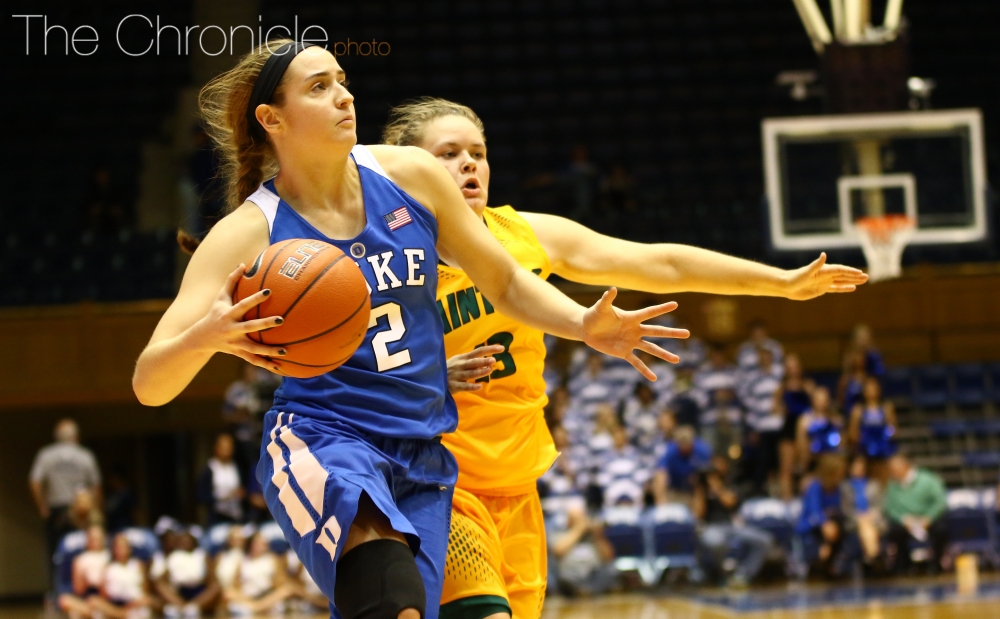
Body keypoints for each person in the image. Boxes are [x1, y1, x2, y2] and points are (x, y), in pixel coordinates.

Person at [135, 41, 681, 619]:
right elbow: (150, 382)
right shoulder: (247, 233)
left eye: (342, 80)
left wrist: (581, 324)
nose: (344, 95)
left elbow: (507, 283)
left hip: (423, 451)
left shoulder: (411, 177)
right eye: (318, 87)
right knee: (391, 598)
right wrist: (205, 336)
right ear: (272, 119)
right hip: (327, 440)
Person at [383, 95, 866, 619]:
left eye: (477, 151)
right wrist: (424, 376)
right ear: (410, 169)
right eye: (448, 153)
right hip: (434, 480)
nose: (469, 163)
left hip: (516, 485)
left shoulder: (524, 235)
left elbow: (660, 263)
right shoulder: (385, 260)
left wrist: (780, 284)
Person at [30, 419, 103, 596]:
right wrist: (96, 510)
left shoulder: (46, 455)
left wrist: (42, 506)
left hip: (58, 510)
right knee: (83, 551)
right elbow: (96, 486)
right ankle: (84, 593)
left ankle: (59, 592)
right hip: (81, 511)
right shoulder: (85, 455)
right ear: (76, 437)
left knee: (56, 555)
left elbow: (34, 481)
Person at [691, 457, 773, 587]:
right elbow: (698, 514)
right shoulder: (701, 488)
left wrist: (716, 486)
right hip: (711, 526)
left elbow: (730, 502)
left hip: (732, 525)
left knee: (764, 540)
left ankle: (743, 575)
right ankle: (721, 573)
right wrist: (700, 489)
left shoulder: (730, 484)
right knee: (715, 541)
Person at [796, 455, 867, 578]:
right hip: (813, 525)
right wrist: (825, 523)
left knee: (852, 533)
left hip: (835, 525)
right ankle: (823, 559)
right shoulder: (815, 486)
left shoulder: (840, 488)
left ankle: (839, 566)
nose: (841, 475)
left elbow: (843, 510)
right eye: (839, 472)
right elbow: (815, 511)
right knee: (829, 528)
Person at [883, 454, 948, 574]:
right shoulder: (892, 484)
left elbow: (940, 502)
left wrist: (928, 518)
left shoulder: (928, 479)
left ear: (906, 467)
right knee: (893, 531)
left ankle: (936, 563)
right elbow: (890, 508)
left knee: (941, 530)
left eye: (895, 470)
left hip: (927, 519)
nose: (893, 473)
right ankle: (905, 564)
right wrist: (904, 519)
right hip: (906, 522)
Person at [223, 532, 295, 616]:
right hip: (248, 597)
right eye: (259, 544)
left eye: (264, 544)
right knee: (228, 593)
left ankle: (256, 607)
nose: (263, 546)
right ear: (251, 544)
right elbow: (235, 585)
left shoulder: (272, 559)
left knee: (286, 590)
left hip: (267, 595)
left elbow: (282, 582)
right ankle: (256, 607)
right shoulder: (242, 561)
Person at [154, 530, 219, 618]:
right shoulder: (173, 556)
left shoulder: (201, 555)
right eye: (182, 541)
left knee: (216, 586)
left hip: (198, 589)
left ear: (194, 542)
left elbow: (211, 577)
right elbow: (163, 578)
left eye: (187, 540)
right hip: (179, 590)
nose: (185, 543)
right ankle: (179, 605)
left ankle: (193, 607)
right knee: (160, 585)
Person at [776, 353, 815, 501]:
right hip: (788, 425)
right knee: (786, 468)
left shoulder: (807, 384)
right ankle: (786, 501)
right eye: (789, 367)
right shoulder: (782, 387)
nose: (792, 370)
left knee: (804, 466)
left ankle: (806, 499)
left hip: (805, 428)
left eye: (794, 366)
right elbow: (775, 406)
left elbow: (816, 402)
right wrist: (781, 409)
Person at [87, 533, 152, 619]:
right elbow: (103, 595)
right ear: (113, 549)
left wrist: (133, 603)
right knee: (94, 601)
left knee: (147, 601)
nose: (121, 550)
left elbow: (145, 591)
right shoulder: (108, 568)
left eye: (124, 546)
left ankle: (121, 615)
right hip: (115, 604)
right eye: (118, 547)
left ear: (129, 548)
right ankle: (120, 614)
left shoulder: (137, 565)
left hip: (134, 604)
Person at [848, 377, 897, 483]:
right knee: (858, 471)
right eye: (868, 388)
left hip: (884, 450)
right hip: (864, 451)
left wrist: (884, 440)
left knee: (889, 475)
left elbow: (893, 429)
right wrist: (864, 443)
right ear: (864, 391)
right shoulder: (858, 409)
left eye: (874, 388)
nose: (871, 391)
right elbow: (852, 433)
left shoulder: (886, 407)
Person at [58, 526, 110, 619]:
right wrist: (85, 579)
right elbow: (78, 590)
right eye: (92, 539)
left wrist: (102, 580)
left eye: (97, 539)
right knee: (65, 601)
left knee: (94, 602)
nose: (94, 542)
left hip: (106, 597)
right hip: (87, 598)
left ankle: (107, 612)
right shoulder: (80, 559)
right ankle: (96, 614)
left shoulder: (109, 557)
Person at [652, 425, 713, 503]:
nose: (684, 446)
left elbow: (710, 474)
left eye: (687, 442)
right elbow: (660, 473)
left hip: (696, 489)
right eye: (681, 443)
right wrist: (661, 500)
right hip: (675, 488)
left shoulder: (703, 450)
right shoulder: (670, 451)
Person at [196, 434, 245, 526]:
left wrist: (241, 493)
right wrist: (222, 497)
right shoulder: (209, 469)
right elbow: (200, 496)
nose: (226, 450)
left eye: (229, 447)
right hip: (217, 517)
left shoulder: (236, 467)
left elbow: (243, 489)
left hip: (237, 515)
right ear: (216, 447)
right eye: (223, 447)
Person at [796, 387, 843, 473]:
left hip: (831, 460)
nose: (821, 403)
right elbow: (801, 443)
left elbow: (840, 443)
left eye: (824, 399)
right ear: (813, 400)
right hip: (812, 461)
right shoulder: (805, 420)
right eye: (818, 399)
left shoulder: (835, 420)